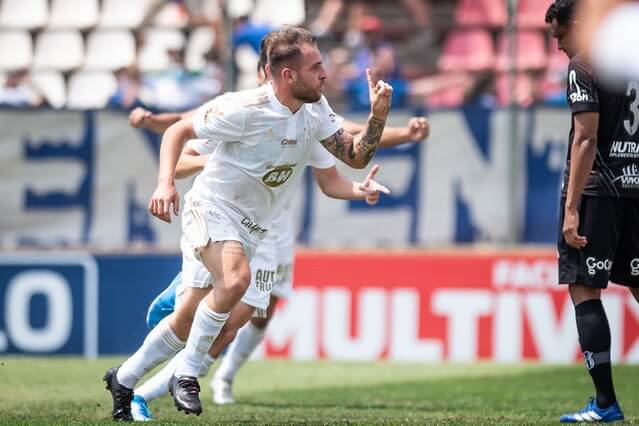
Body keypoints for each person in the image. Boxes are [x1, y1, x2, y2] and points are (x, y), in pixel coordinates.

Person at [104, 26, 394, 420]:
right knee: (236, 281)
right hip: (212, 207)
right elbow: (176, 130)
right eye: (316, 66)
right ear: (288, 75)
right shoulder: (243, 108)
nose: (325, 74)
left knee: (189, 317)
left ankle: (124, 378)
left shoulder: (316, 111)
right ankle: (186, 374)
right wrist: (165, 184)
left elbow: (348, 164)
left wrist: (375, 124)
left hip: (255, 228)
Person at [546, 0, 639, 422]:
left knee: (585, 288)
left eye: (560, 34)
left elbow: (585, 138)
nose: (558, 45)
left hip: (598, 192)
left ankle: (605, 403)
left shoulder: (584, 65)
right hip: (637, 188)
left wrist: (571, 208)